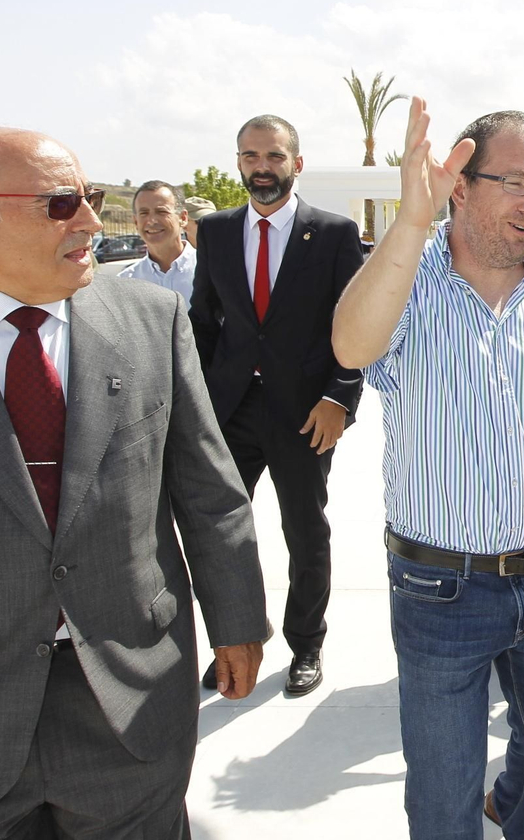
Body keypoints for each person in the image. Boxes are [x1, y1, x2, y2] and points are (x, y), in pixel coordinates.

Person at [0, 126, 268, 836]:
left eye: (93, 197)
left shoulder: (151, 319)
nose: (94, 222)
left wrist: (238, 621)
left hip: (131, 707)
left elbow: (208, 488)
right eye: (61, 202)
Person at [332, 100, 524, 840]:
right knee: (440, 796)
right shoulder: (409, 283)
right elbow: (348, 345)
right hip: (440, 590)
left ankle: (519, 810)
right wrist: (407, 222)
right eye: (518, 182)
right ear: (459, 187)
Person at [188, 114, 364, 696]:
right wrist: (197, 402)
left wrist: (339, 396)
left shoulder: (334, 233)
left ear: (296, 162)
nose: (261, 168)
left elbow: (354, 324)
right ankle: (236, 638)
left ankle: (306, 645)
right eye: (250, 156)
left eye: (273, 157)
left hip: (304, 412)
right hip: (229, 410)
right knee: (220, 533)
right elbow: (204, 323)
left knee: (304, 531)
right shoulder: (213, 231)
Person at [117, 180, 197, 308]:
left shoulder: (211, 270)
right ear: (136, 221)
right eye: (144, 213)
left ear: (183, 218)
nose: (152, 220)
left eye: (161, 212)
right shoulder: (125, 282)